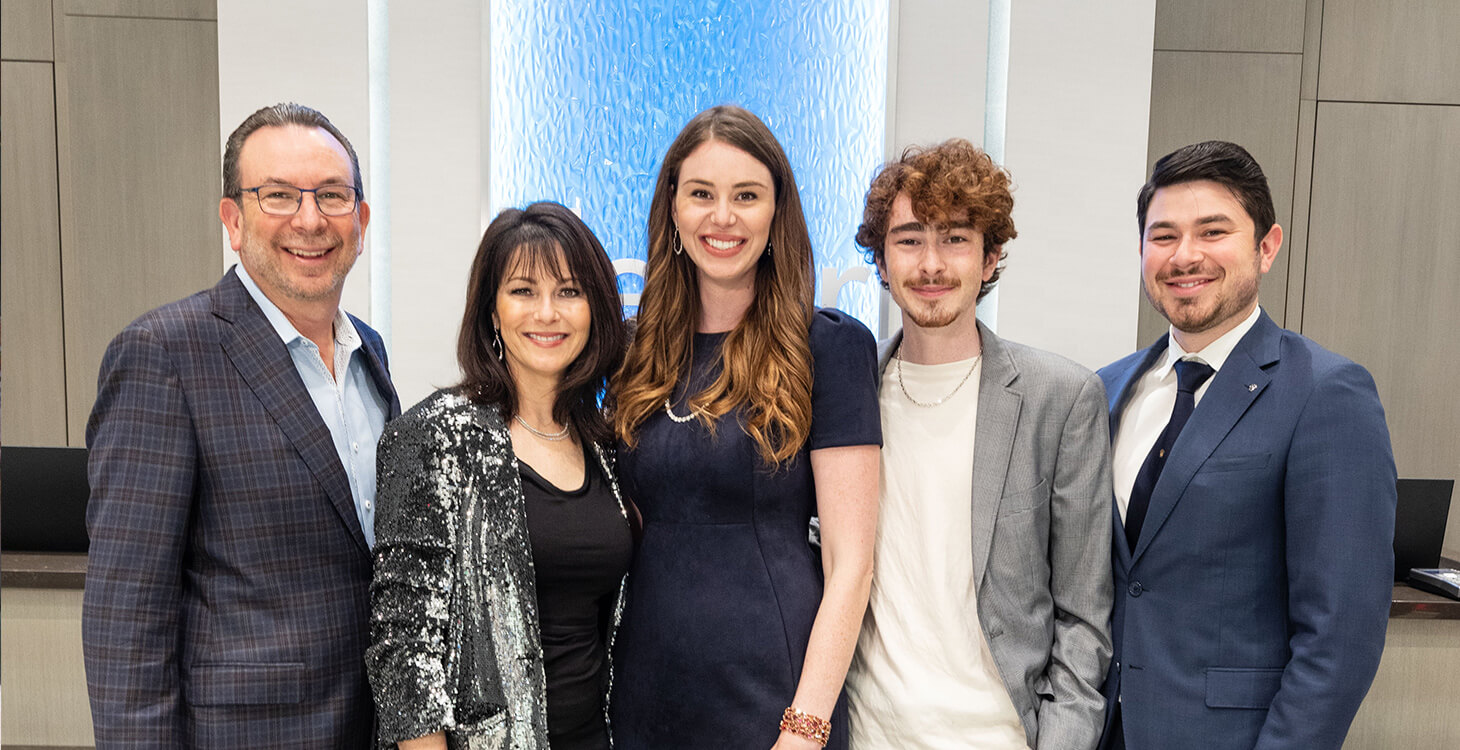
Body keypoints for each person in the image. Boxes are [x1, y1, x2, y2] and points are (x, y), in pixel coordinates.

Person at [83, 102, 399, 746]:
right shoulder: (164, 354)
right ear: (233, 220)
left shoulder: (371, 352)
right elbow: (126, 620)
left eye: (332, 196)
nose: (310, 220)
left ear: (361, 221)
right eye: (279, 195)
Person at [1097, 140, 1396, 749]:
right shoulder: (1106, 389)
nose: (1185, 256)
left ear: (1267, 246)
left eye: (1212, 232)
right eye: (1163, 236)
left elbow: (1340, 637)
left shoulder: (1326, 393)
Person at [610, 105, 881, 749]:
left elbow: (853, 564)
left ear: (775, 215)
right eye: (701, 194)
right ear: (672, 210)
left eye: (747, 196)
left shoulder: (828, 348)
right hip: (644, 686)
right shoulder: (633, 351)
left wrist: (807, 727)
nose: (722, 217)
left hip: (772, 692)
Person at [845, 139, 1113, 749]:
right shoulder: (843, 399)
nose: (931, 264)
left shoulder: (1061, 398)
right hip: (866, 734)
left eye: (956, 238)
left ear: (991, 258)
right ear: (881, 261)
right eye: (909, 239)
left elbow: (1084, 618)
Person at [367, 202, 632, 749]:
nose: (547, 313)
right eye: (523, 291)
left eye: (569, 292)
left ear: (595, 309)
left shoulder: (605, 443)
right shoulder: (436, 436)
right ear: (492, 309)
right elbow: (403, 643)